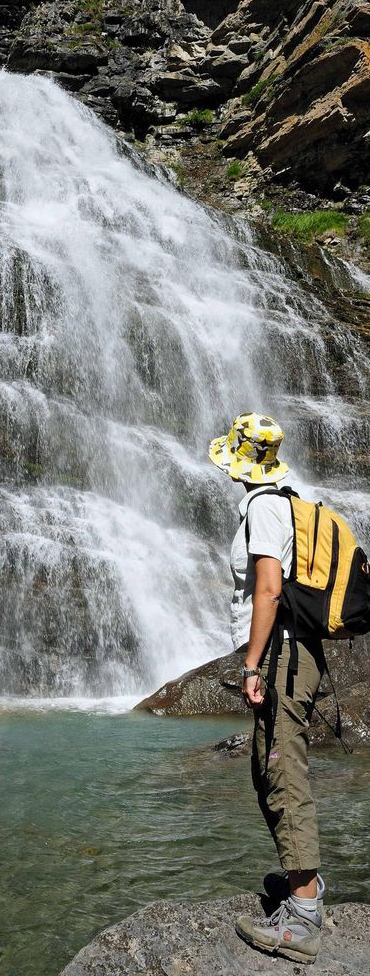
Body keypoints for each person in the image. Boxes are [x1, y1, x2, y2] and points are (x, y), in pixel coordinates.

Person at [208, 412, 324, 965]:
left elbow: (269, 590)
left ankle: (304, 915)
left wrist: (251, 665)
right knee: (266, 764)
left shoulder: (263, 506)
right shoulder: (287, 498)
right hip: (290, 652)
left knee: (282, 770)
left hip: (280, 654)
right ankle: (301, 885)